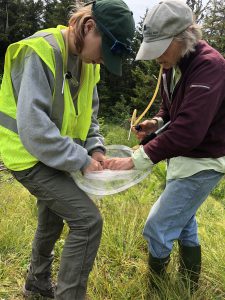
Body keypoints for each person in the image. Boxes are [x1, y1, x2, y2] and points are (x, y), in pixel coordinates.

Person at [0, 0, 135, 299]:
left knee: (52, 217)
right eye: (104, 54)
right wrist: (81, 160)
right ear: (89, 28)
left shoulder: (88, 64)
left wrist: (95, 149)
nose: (102, 62)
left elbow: (90, 118)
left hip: (56, 155)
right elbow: (34, 129)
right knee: (88, 222)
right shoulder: (39, 52)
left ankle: (36, 284)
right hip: (27, 155)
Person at [104, 0, 225, 292]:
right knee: (183, 221)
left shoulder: (210, 67)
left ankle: (157, 289)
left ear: (182, 38)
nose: (156, 56)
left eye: (160, 46)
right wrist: (156, 122)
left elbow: (188, 131)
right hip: (183, 159)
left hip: (203, 162)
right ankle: (187, 285)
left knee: (157, 226)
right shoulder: (174, 63)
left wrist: (137, 158)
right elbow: (171, 108)